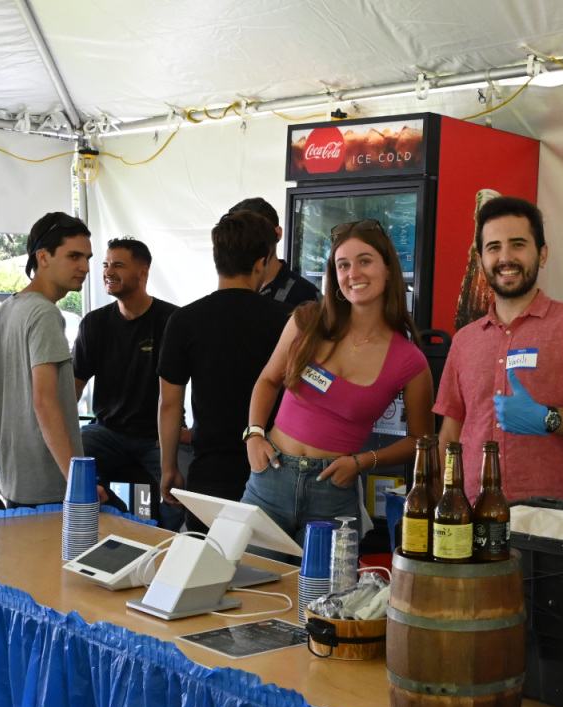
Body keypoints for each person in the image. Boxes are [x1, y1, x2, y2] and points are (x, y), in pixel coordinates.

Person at [242, 219, 434, 543]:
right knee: (245, 582)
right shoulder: (306, 321)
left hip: (333, 492)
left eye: (364, 261)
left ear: (388, 270)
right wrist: (254, 435)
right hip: (270, 476)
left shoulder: (410, 361)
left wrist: (362, 462)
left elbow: (422, 441)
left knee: (324, 594)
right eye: (343, 265)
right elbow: (267, 380)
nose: (353, 273)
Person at [436, 197, 563, 502]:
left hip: (552, 520)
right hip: (470, 517)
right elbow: (450, 435)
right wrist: (442, 501)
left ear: (542, 255)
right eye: (493, 247)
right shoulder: (464, 340)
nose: (505, 257)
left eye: (518, 244)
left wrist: (546, 418)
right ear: (480, 260)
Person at [158, 210, 291, 524]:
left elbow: (168, 404)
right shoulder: (287, 321)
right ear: (261, 262)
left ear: (217, 258)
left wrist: (169, 468)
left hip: (209, 471)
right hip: (274, 467)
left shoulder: (184, 321)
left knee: (207, 566)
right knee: (273, 569)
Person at [0, 212, 107, 508]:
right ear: (43, 257)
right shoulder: (44, 313)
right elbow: (44, 401)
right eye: (74, 256)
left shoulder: (8, 307)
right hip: (46, 485)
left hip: (15, 476)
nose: (84, 267)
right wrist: (78, 482)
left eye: (88, 258)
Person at [72, 237, 183, 529]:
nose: (108, 271)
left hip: (156, 437)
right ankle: (103, 528)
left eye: (118, 265)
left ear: (143, 273)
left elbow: (188, 389)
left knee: (179, 493)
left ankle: (166, 546)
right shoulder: (94, 323)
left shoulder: (173, 320)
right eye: (106, 264)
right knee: (67, 458)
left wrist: (182, 435)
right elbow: (73, 387)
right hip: (106, 432)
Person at [229, 197, 321, 309]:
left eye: (257, 234)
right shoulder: (231, 292)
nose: (248, 244)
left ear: (277, 233)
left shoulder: (307, 297)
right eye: (239, 237)